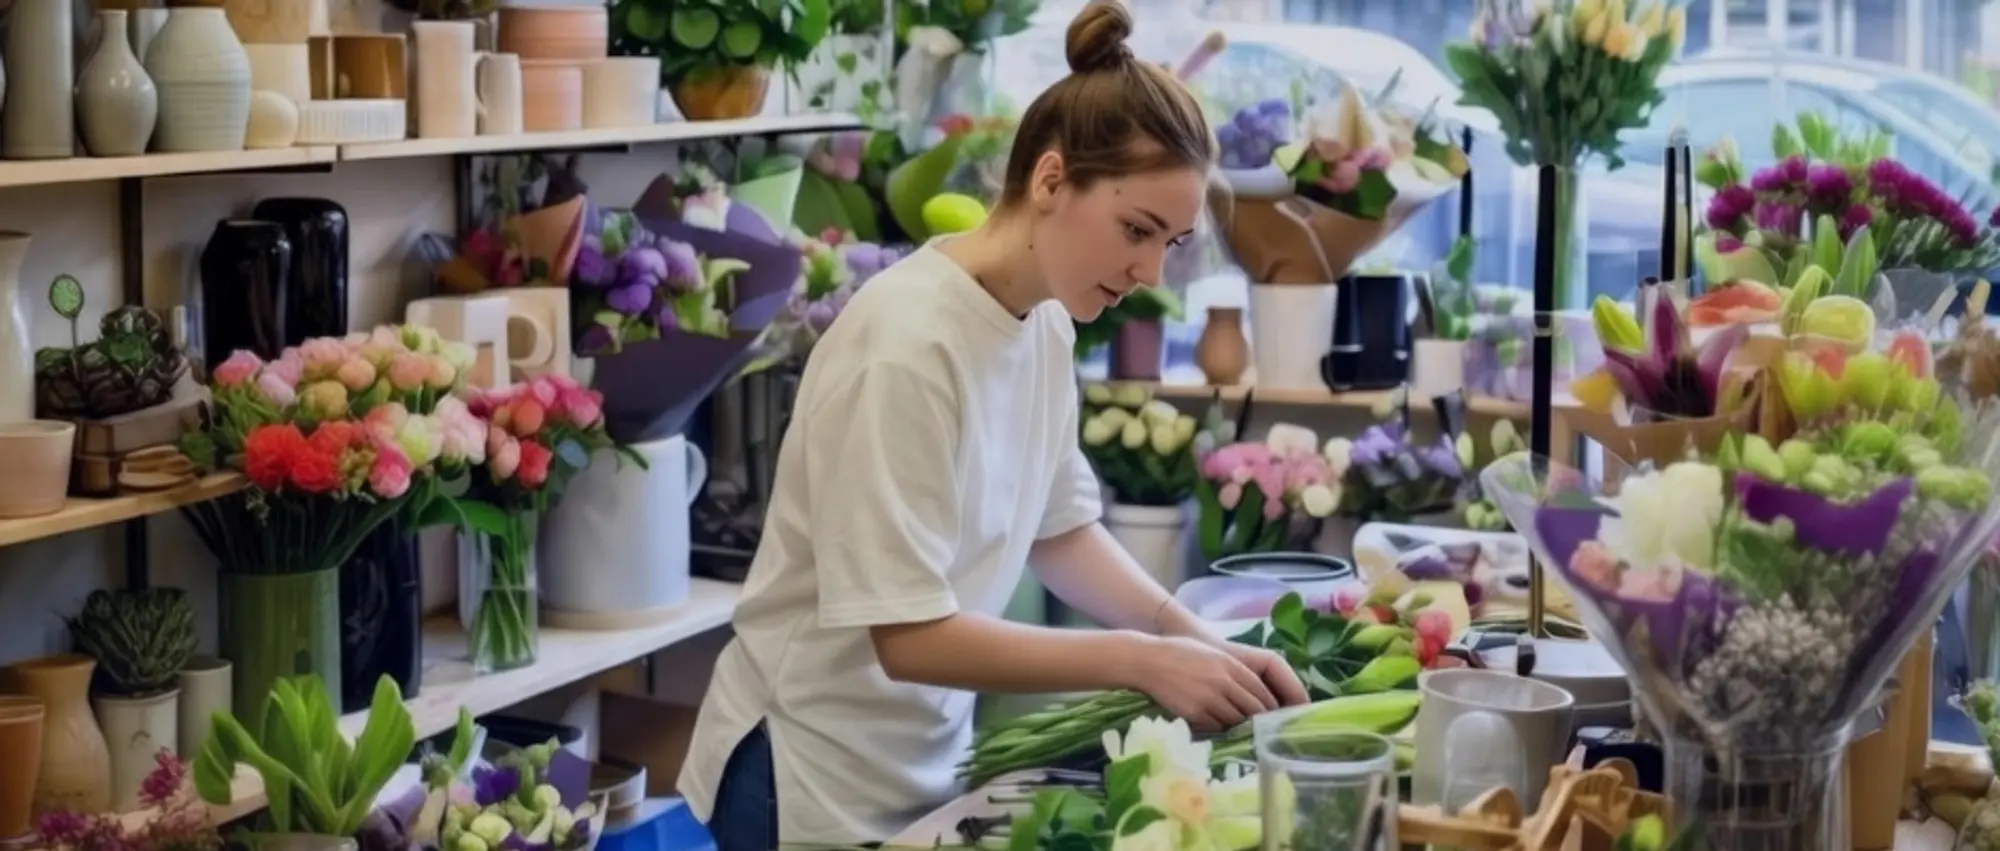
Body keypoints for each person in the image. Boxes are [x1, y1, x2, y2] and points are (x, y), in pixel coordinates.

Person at [677, 2, 1310, 847]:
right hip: (804, 769)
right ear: (1050, 181)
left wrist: (1189, 634)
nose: (1149, 269)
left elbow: (1059, 529)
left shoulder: (1045, 317)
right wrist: (1142, 660)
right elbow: (907, 635)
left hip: (919, 756)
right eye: (1136, 230)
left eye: (1172, 242)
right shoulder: (906, 345)